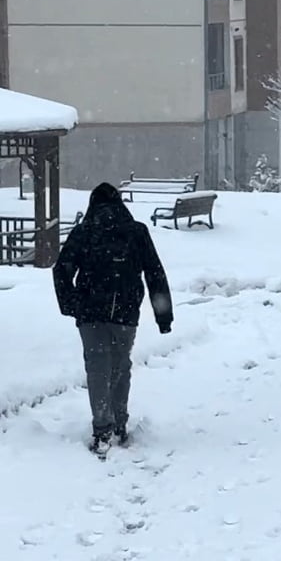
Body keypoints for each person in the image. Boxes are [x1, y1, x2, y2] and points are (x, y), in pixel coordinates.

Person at [52, 183, 173, 455]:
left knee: (97, 367)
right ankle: (119, 422)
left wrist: (71, 304)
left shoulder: (84, 232)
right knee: (120, 365)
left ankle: (102, 427)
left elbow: (61, 270)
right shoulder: (136, 232)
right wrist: (163, 317)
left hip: (90, 313)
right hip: (125, 312)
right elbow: (155, 273)